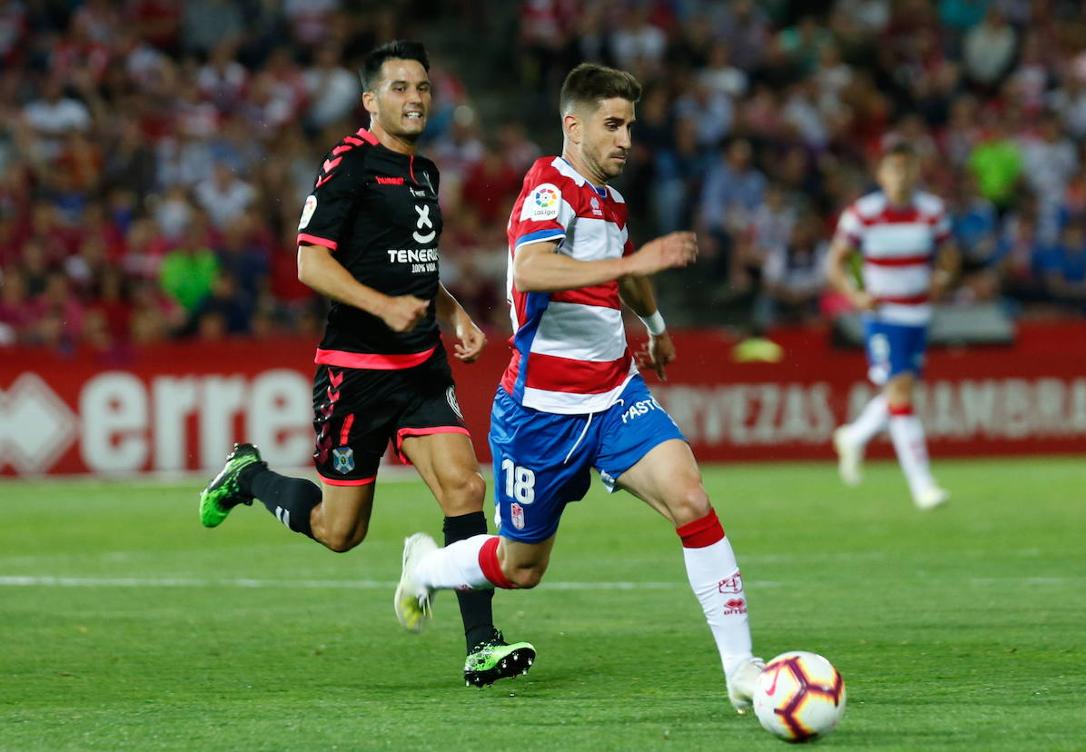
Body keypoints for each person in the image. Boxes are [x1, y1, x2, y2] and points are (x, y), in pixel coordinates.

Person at [393, 62, 766, 713]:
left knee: (690, 498)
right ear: (575, 125)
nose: (625, 139)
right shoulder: (548, 185)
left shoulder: (612, 203)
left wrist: (654, 322)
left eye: (630, 125)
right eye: (612, 125)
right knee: (520, 568)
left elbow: (623, 276)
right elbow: (534, 269)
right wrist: (634, 261)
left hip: (616, 395)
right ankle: (426, 565)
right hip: (541, 414)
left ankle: (742, 670)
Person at [197, 40, 534, 687]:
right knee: (339, 530)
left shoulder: (425, 174)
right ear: (370, 101)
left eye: (422, 88)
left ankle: (481, 644)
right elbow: (311, 261)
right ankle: (249, 476)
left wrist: (453, 310)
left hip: (420, 367)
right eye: (400, 88)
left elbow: (413, 265)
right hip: (355, 371)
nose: (414, 99)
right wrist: (381, 306)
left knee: (466, 487)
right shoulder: (348, 165)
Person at [826, 142, 958, 510]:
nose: (901, 176)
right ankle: (923, 486)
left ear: (917, 171)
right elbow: (835, 262)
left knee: (900, 389)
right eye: (894, 169)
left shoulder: (932, 211)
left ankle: (854, 435)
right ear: (881, 174)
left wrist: (943, 278)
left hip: (919, 314)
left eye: (908, 168)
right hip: (883, 316)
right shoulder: (863, 214)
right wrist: (855, 296)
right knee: (900, 393)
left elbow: (950, 256)